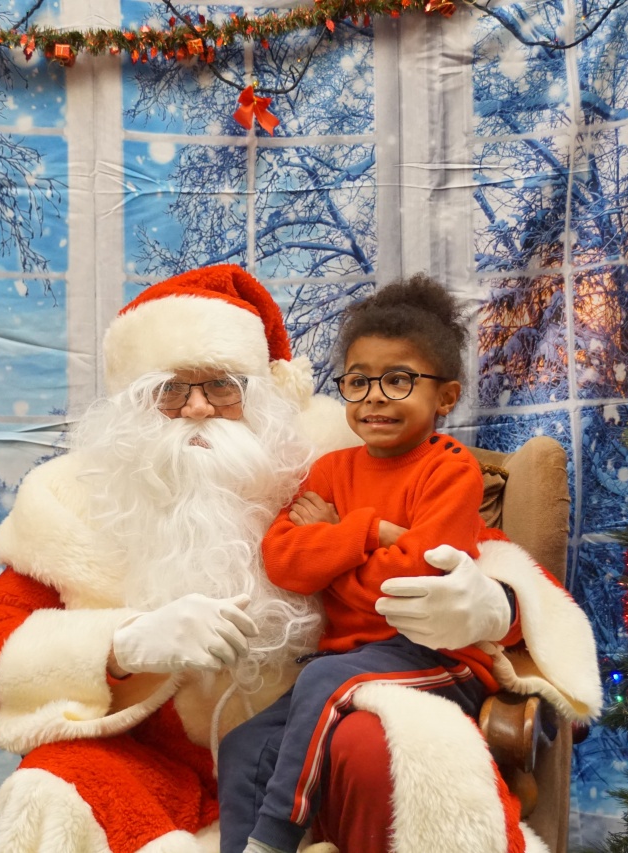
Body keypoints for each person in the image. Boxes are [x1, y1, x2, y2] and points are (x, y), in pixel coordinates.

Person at [0, 264, 602, 853]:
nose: (197, 408)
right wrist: (123, 644)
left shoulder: (317, 458)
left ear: (258, 394)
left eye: (221, 386)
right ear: (134, 407)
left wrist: (496, 607)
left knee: (385, 748)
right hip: (154, 773)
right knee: (49, 789)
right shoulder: (77, 501)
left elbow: (474, 555)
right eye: (171, 390)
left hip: (317, 763)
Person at [218, 276, 520, 853]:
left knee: (322, 678)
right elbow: (283, 562)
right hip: (345, 663)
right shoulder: (331, 471)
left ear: (446, 397)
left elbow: (413, 587)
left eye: (398, 380)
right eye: (358, 381)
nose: (374, 397)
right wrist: (372, 533)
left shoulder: (450, 471)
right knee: (244, 746)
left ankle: (274, 836)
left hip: (437, 659)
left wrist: (333, 543)